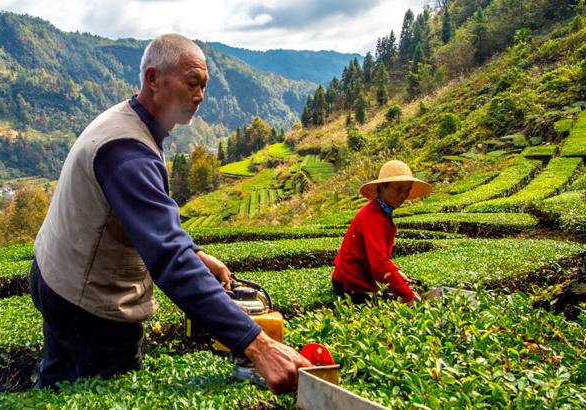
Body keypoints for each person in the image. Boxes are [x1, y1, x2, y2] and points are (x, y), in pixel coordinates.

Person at [30, 33, 310, 394]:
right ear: (152, 79)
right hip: (89, 303)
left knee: (58, 388)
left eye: (204, 86)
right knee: (114, 395)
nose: (200, 96)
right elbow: (168, 258)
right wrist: (257, 344)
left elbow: (143, 221)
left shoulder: (131, 121)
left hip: (54, 275)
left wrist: (196, 253)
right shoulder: (128, 153)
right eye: (192, 83)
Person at [331, 160, 432, 306]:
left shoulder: (380, 211)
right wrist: (408, 295)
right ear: (382, 186)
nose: (403, 195)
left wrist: (397, 273)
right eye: (399, 188)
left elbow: (379, 256)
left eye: (407, 190)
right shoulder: (374, 218)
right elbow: (379, 265)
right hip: (352, 282)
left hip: (356, 278)